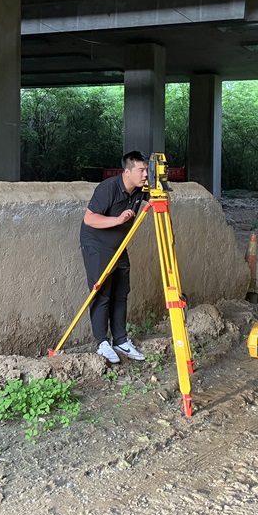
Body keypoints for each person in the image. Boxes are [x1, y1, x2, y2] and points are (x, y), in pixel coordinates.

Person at [80, 151, 149, 363]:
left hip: (119, 246)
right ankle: (102, 342)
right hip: (97, 245)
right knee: (103, 292)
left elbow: (156, 206)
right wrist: (117, 220)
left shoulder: (140, 190)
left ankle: (120, 339)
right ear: (127, 172)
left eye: (147, 170)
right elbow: (89, 219)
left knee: (121, 291)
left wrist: (161, 192)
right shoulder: (108, 188)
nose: (146, 174)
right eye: (141, 170)